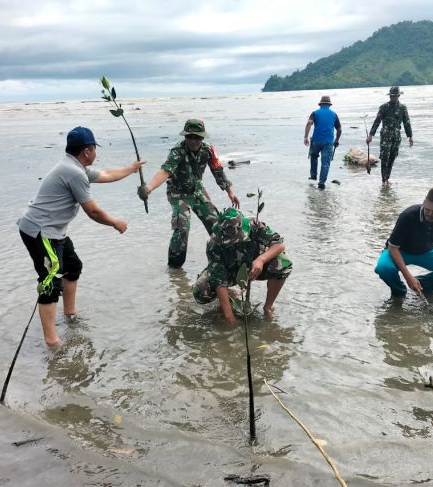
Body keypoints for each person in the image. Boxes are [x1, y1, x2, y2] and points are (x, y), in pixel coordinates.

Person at [18, 126, 145, 347]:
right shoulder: (74, 172)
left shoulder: (75, 167)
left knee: (73, 266)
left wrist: (132, 169)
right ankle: (52, 341)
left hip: (54, 232)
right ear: (87, 151)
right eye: (95, 149)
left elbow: (106, 175)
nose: (96, 153)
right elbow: (93, 211)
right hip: (41, 232)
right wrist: (115, 222)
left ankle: (70, 315)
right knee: (50, 282)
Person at [138, 119, 240, 268]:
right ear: (185, 136)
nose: (193, 141)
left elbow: (217, 170)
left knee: (217, 224)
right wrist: (149, 188)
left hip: (197, 191)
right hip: (177, 193)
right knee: (182, 227)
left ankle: (224, 261)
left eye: (197, 137)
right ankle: (175, 268)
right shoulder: (177, 151)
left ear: (202, 137)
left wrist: (230, 192)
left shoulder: (208, 150)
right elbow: (166, 171)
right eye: (189, 137)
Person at [193, 208, 292, 325]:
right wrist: (230, 319)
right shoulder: (214, 242)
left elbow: (279, 245)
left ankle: (268, 307)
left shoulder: (254, 225)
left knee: (283, 264)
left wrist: (261, 260)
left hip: (254, 267)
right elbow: (219, 280)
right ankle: (227, 295)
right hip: (229, 272)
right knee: (201, 290)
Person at [374, 186, 433, 297]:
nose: (430, 213)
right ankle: (399, 291)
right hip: (399, 251)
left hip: (426, 251)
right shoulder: (408, 215)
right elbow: (393, 247)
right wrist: (408, 277)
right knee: (383, 269)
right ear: (424, 202)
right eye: (428, 208)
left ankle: (423, 285)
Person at [366, 86, 413, 187]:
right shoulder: (383, 107)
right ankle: (383, 180)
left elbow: (406, 123)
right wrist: (371, 135)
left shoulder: (402, 108)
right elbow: (377, 122)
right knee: (384, 157)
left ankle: (387, 178)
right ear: (390, 96)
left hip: (396, 137)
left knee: (392, 157)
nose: (393, 98)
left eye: (395, 96)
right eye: (392, 96)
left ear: (398, 96)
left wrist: (410, 136)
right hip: (385, 136)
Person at [304, 96, 342, 190]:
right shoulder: (334, 114)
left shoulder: (315, 113)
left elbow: (309, 123)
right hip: (328, 142)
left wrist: (306, 136)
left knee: (313, 157)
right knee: (325, 163)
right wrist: (337, 140)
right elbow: (339, 129)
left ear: (320, 104)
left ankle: (313, 176)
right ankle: (321, 183)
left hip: (316, 140)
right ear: (329, 105)